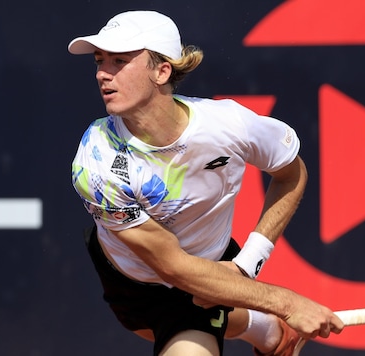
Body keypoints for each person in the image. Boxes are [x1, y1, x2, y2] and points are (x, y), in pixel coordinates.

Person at [68, 10, 344, 356]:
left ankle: (266, 330)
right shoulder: (97, 160)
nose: (102, 74)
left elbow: (291, 173)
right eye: (99, 61)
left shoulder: (228, 125)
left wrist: (246, 265)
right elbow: (175, 268)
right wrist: (286, 304)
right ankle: (271, 331)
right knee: (156, 323)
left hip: (208, 272)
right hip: (133, 283)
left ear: (161, 70)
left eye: (119, 61)